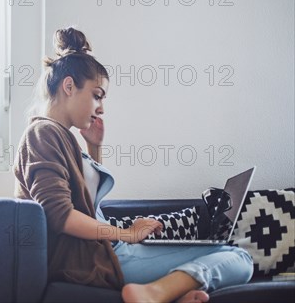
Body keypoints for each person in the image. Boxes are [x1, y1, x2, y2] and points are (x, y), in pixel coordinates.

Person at [13, 27, 253, 303]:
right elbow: (60, 215)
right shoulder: (43, 134)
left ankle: (172, 294)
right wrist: (126, 234)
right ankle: (157, 294)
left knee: (225, 250)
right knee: (238, 257)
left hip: (107, 251)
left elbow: (89, 205)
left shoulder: (62, 137)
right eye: (97, 95)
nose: (101, 107)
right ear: (69, 86)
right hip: (93, 261)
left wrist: (94, 147)